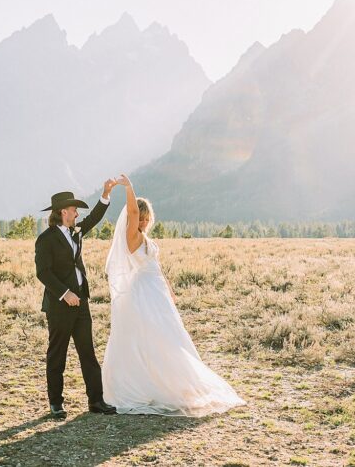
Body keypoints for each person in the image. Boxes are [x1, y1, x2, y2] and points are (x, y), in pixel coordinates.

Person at [102, 174, 245, 416]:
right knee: (153, 338)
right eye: (141, 217)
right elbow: (133, 214)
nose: (144, 222)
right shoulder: (131, 236)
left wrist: (167, 287)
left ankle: (168, 383)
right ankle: (150, 385)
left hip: (156, 292)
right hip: (143, 295)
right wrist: (129, 188)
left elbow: (154, 265)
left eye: (148, 218)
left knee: (169, 337)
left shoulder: (144, 237)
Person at [34, 182, 118, 418]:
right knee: (57, 354)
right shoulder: (46, 239)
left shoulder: (75, 231)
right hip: (59, 306)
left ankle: (96, 401)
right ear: (63, 212)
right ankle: (56, 403)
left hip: (81, 303)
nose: (77, 214)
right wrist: (64, 293)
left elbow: (93, 218)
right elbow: (43, 272)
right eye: (73, 210)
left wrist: (105, 195)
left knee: (88, 353)